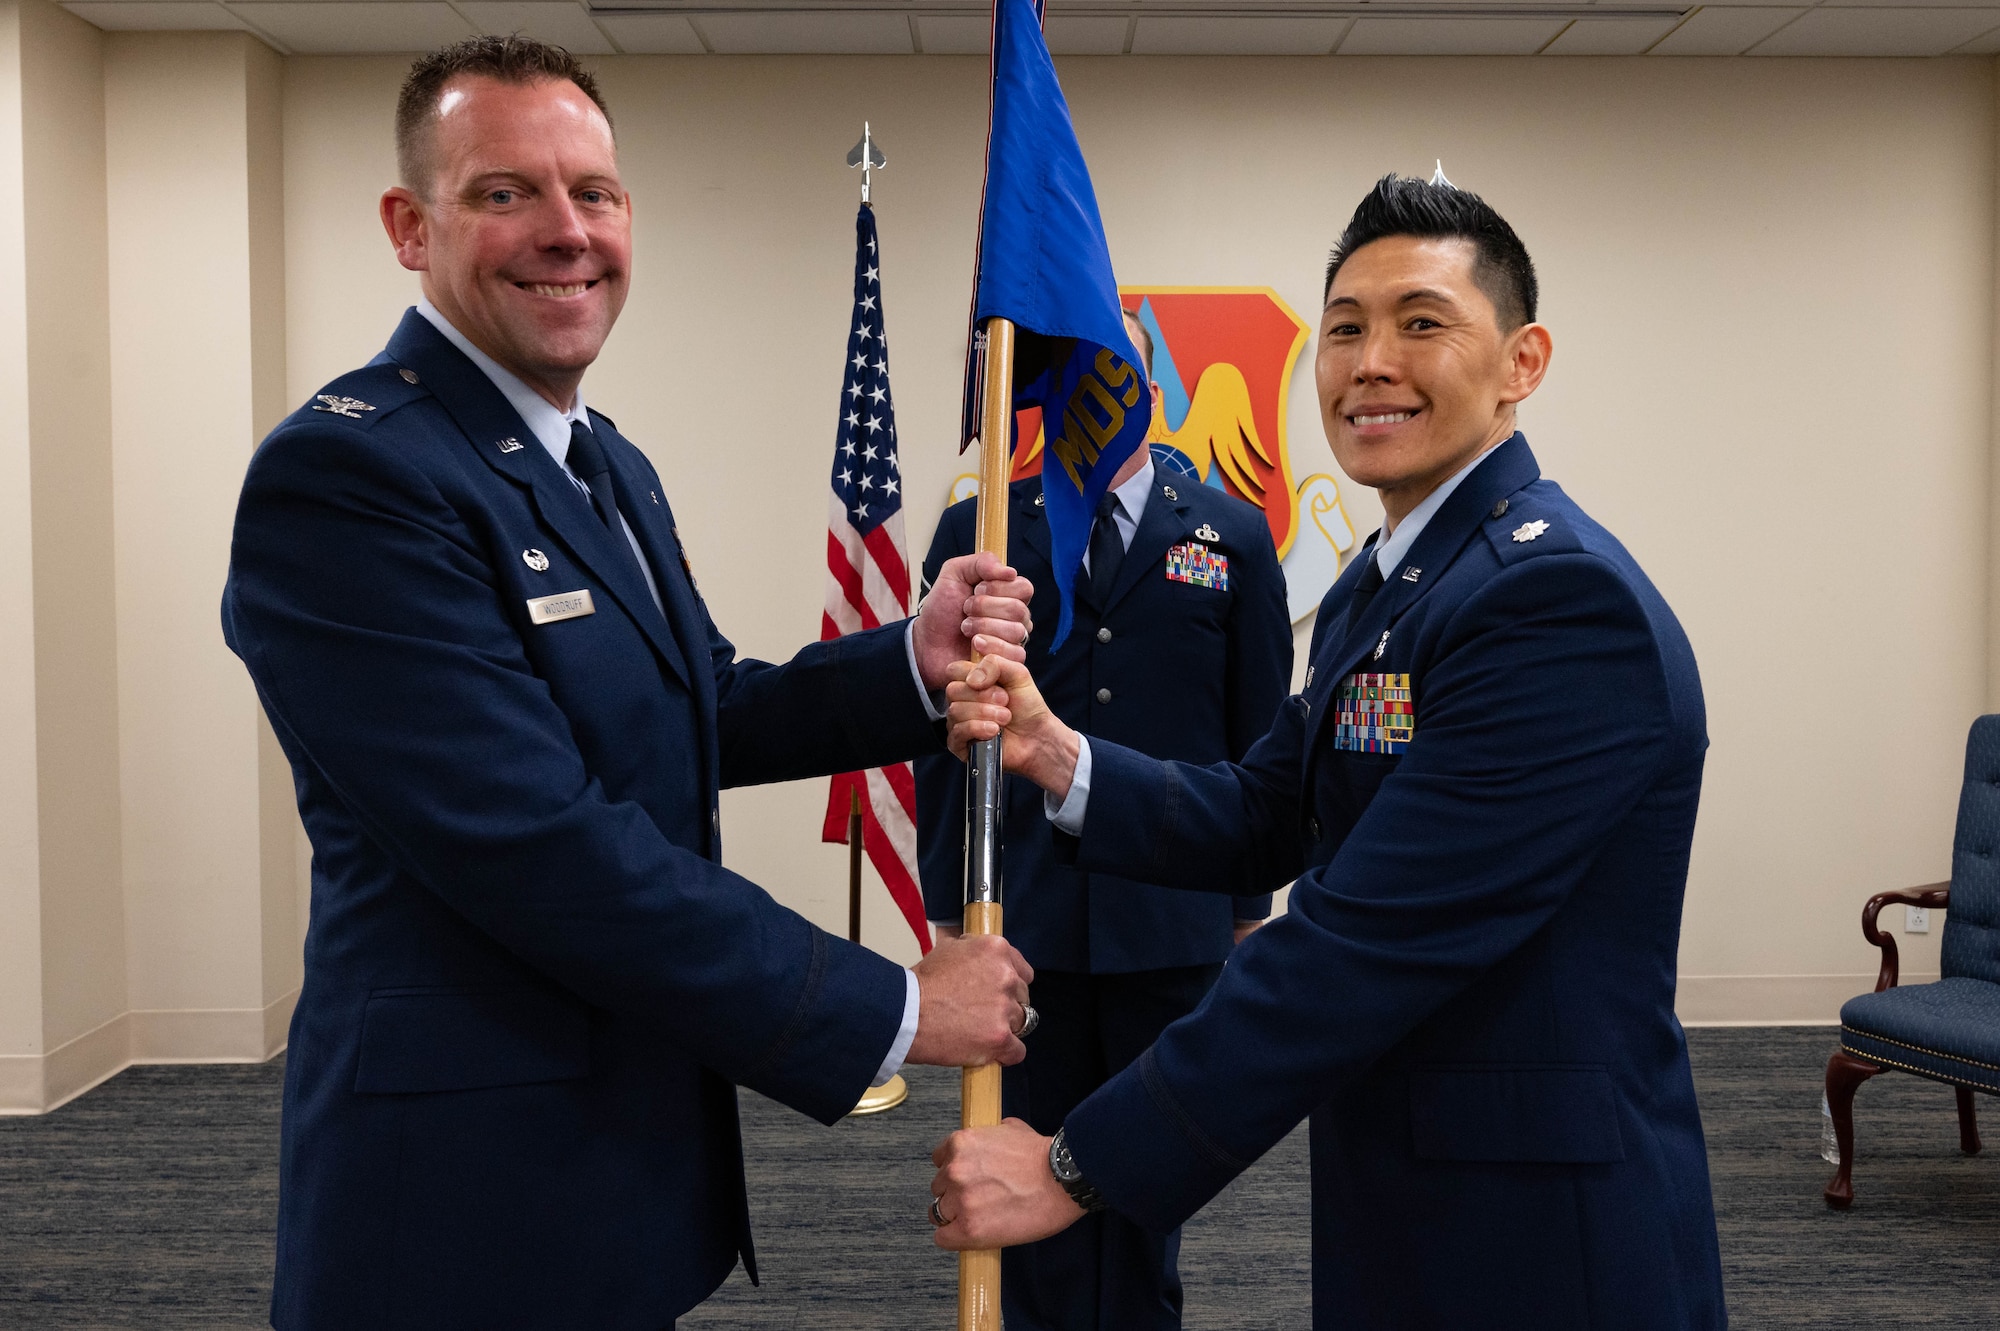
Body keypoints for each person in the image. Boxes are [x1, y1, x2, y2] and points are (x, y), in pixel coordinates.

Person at [222, 36, 1040, 1331]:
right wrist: (887, 999)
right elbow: (540, 842)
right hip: (457, 1194)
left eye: (594, 193)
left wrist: (906, 660)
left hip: (618, 1143)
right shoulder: (350, 481)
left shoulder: (607, 465)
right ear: (408, 223)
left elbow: (696, 705)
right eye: (507, 192)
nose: (566, 230)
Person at [928, 175, 1727, 1329]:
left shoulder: (1553, 603)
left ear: (1521, 360)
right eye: (1345, 327)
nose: (1369, 361)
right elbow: (1270, 807)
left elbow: (1359, 941)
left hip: (1535, 1226)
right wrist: (1058, 753)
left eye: (1420, 322)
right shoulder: (1388, 581)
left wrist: (1071, 1164)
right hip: (1408, 1163)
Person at [915, 310, 1291, 1330]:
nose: (1096, 388)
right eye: (1075, 368)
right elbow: (943, 737)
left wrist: (1247, 907)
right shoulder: (983, 528)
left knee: (1136, 1185)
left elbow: (1257, 741)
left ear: (1151, 382)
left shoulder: (1230, 531)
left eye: (1115, 369)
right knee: (1014, 1179)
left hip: (1168, 918)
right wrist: (946, 903)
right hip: (1021, 912)